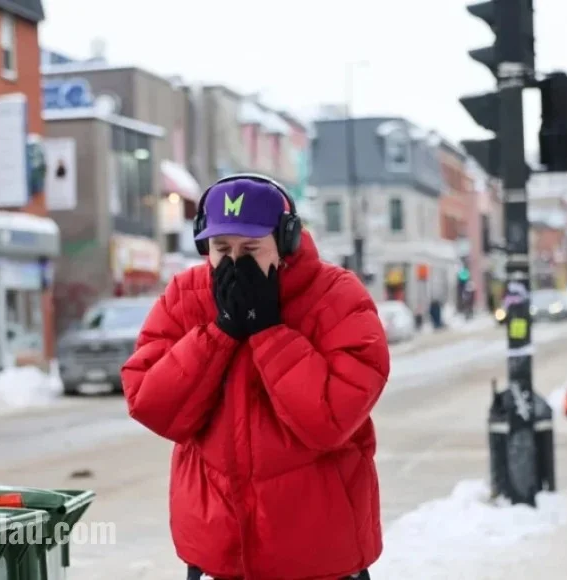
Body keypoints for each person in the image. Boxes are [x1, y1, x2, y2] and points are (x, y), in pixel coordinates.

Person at [121, 174, 389, 580]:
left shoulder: (338, 297)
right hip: (217, 551)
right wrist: (220, 333)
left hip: (319, 554)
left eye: (250, 249)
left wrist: (269, 332)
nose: (235, 263)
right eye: (221, 248)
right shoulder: (185, 296)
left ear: (285, 241)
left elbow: (330, 419)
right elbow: (152, 404)